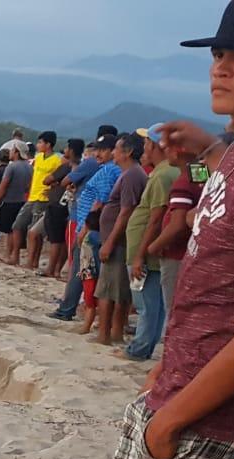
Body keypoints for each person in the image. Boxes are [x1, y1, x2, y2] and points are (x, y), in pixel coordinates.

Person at [8, 7, 234, 459]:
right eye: (220, 52)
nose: (222, 65)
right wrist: (199, 149)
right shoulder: (233, 148)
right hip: (178, 386)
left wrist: (178, 410)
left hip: (208, 411)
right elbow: (215, 177)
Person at [124, 125, 181, 361]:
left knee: (146, 302)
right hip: (148, 248)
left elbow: (156, 218)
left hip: (145, 251)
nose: (144, 146)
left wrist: (140, 254)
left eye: (147, 142)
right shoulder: (164, 171)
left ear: (156, 145)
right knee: (153, 303)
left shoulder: (163, 174)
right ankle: (144, 346)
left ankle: (139, 348)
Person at [52, 130, 120, 321]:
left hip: (91, 228)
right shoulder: (108, 169)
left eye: (104, 151)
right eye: (97, 150)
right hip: (90, 225)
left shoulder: (109, 171)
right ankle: (74, 308)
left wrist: (85, 228)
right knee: (85, 271)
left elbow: (101, 202)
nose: (98, 154)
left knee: (82, 271)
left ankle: (67, 309)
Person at [92, 134, 145, 347]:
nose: (113, 152)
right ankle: (114, 333)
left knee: (108, 290)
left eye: (116, 148)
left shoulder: (132, 175)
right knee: (119, 289)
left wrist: (110, 241)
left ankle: (105, 335)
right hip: (120, 239)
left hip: (119, 241)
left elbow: (125, 211)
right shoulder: (130, 173)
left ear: (128, 152)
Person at [146, 153, 204, 314]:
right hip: (192, 249)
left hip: (176, 253)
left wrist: (154, 247)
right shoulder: (199, 171)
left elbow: (177, 224)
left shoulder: (182, 183)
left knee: (173, 308)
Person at [10, 131, 61, 268]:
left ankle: (32, 261)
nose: (38, 145)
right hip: (32, 196)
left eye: (40, 142)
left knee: (35, 232)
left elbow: (59, 179)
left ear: (48, 144)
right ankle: (15, 256)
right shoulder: (38, 157)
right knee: (18, 225)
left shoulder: (57, 160)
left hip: (43, 199)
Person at [43, 138, 84, 278]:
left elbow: (47, 180)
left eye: (66, 148)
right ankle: (57, 270)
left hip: (58, 205)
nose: (64, 151)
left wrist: (56, 182)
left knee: (56, 239)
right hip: (66, 205)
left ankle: (52, 269)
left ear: (71, 150)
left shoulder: (68, 167)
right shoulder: (80, 166)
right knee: (61, 239)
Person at [0, 140, 32, 260]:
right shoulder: (29, 167)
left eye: (13, 150)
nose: (10, 153)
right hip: (21, 201)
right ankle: (12, 255)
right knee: (14, 230)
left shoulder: (12, 167)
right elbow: (28, 186)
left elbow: (4, 185)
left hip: (8, 201)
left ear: (17, 152)